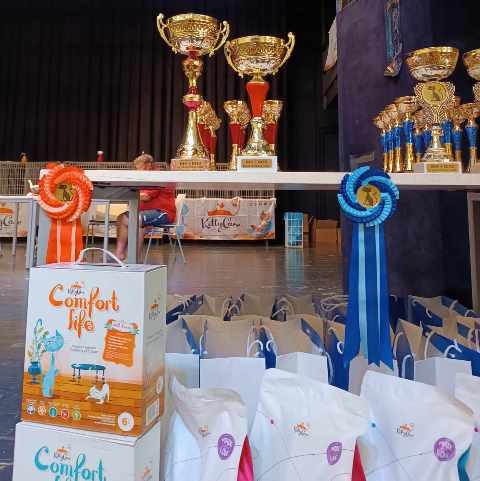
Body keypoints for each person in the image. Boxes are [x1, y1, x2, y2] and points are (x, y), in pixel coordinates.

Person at [115, 154, 176, 261]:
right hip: (145, 213)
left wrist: (125, 194)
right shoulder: (146, 177)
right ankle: (119, 254)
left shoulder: (158, 176)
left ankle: (134, 258)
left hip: (163, 213)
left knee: (135, 220)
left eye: (139, 168)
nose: (137, 171)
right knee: (121, 218)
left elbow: (146, 196)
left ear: (148, 165)